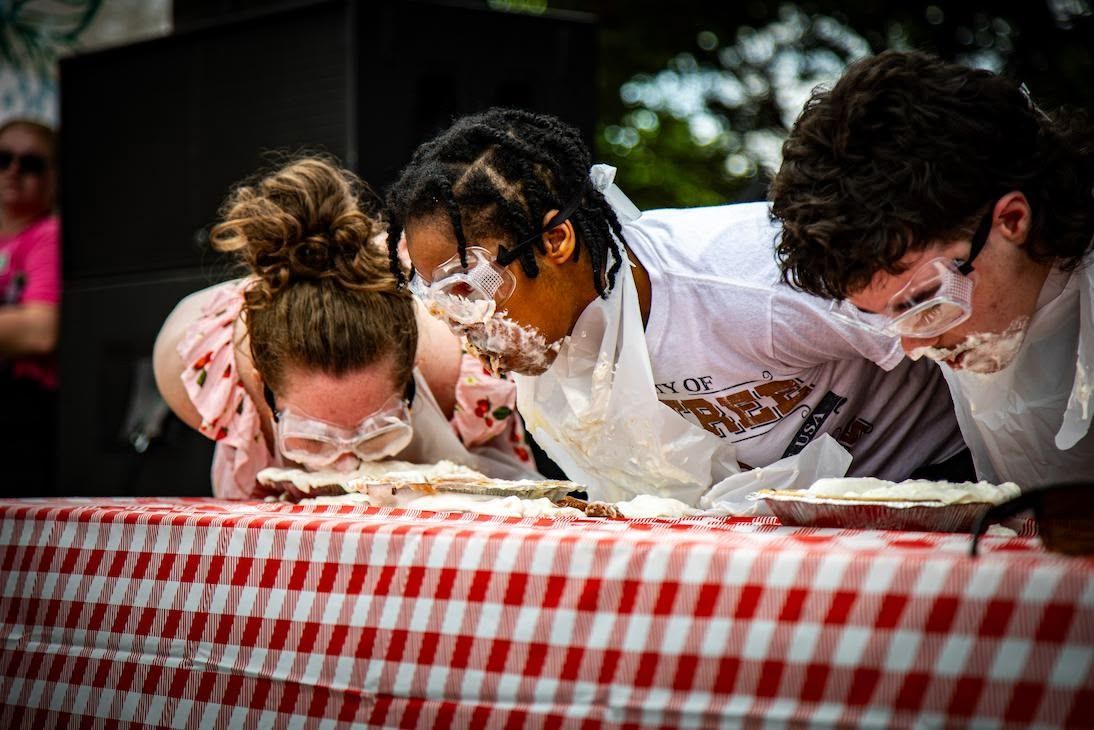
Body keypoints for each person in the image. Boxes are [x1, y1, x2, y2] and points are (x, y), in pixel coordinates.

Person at [384, 108, 969, 506]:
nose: (465, 329)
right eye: (436, 302)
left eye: (467, 290)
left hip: (944, 483)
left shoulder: (753, 285)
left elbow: (957, 326)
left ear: (555, 242)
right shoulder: (558, 338)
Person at [769, 50, 1094, 486]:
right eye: (886, 316)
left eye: (924, 302)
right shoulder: (984, 301)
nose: (915, 347)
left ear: (1013, 221)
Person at [153, 157, 539, 499]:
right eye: (312, 440)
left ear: (411, 368)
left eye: (379, 435)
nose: (347, 468)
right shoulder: (202, 373)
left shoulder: (461, 351)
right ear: (260, 383)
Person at [0, 119, 60, 495]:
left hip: (21, 415)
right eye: (2, 158)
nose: (14, 170)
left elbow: (40, 331)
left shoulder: (49, 235)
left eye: (31, 163)